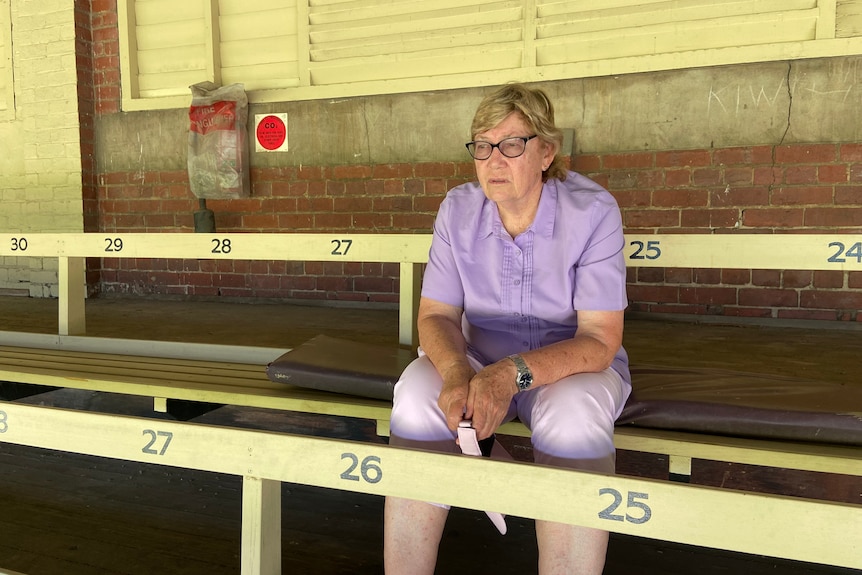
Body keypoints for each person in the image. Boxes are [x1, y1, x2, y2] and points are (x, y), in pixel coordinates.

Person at [383, 83, 631, 575]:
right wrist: (457, 374)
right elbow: (435, 316)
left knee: (574, 415)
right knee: (416, 392)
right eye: (482, 144)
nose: (494, 160)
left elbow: (600, 339)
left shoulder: (594, 211)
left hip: (569, 366)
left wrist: (506, 377)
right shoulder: (458, 209)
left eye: (512, 144)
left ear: (546, 151)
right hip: (476, 358)